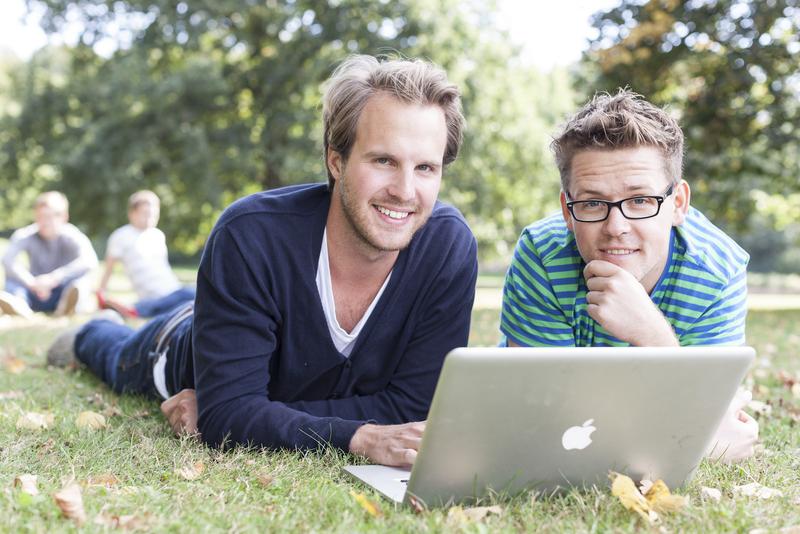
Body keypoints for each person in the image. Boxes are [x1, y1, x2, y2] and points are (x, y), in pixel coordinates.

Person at [47, 55, 478, 467]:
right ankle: (88, 331)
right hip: (180, 347)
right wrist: (355, 434)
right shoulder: (249, 234)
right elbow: (228, 416)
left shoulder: (448, 248)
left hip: (235, 375)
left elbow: (413, 408)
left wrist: (245, 410)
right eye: (384, 160)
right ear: (336, 160)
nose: (404, 191)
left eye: (425, 168)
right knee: (113, 353)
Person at [500, 89, 758, 462]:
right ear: (567, 210)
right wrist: (698, 438)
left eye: (640, 200)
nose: (615, 227)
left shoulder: (718, 270)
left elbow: (710, 409)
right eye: (591, 202)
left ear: (678, 205)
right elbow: (538, 412)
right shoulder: (542, 254)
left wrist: (651, 333)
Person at [96, 190, 195, 318]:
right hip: (153, 295)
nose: (150, 218)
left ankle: (136, 309)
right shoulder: (121, 236)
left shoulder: (158, 235)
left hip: (173, 290)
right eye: (146, 214)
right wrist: (101, 294)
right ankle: (136, 309)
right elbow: (108, 269)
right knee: (191, 296)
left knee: (192, 297)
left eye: (154, 214)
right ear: (132, 213)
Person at [0, 191, 98, 317]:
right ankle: (20, 306)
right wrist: (31, 282)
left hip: (61, 290)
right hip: (32, 290)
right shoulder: (25, 234)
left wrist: (55, 278)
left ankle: (66, 307)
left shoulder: (72, 235)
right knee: (12, 281)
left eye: (51, 216)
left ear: (64, 216)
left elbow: (90, 260)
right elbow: (8, 260)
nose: (45, 222)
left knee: (81, 281)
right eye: (41, 217)